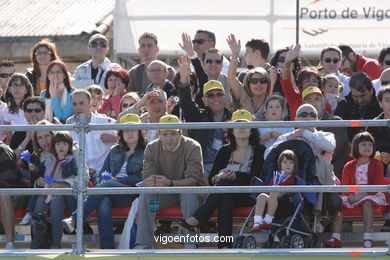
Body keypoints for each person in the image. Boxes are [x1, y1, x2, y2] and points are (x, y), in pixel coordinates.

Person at [179, 109, 266, 248]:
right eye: (238, 125)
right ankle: (225, 246)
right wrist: (220, 176)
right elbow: (213, 179)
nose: (241, 128)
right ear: (231, 130)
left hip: (249, 194)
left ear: (251, 129)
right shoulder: (224, 150)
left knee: (225, 185)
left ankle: (199, 217)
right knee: (226, 196)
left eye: (245, 125)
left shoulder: (260, 150)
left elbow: (257, 178)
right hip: (227, 193)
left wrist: (234, 176)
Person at [62, 113, 144, 249]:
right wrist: (106, 181)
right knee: (103, 201)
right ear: (121, 133)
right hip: (109, 191)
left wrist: (118, 180)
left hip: (132, 193)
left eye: (133, 129)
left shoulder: (146, 150)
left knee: (105, 187)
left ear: (140, 132)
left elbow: (142, 179)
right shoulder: (114, 150)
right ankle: (107, 248)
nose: (130, 132)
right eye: (126, 129)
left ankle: (74, 219)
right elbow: (101, 175)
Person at [135, 114, 204, 249]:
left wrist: (170, 183)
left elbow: (193, 180)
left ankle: (191, 242)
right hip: (165, 195)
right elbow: (148, 179)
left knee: (188, 193)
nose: (169, 138)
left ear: (180, 133)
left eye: (173, 134)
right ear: (159, 134)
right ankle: (144, 244)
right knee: (147, 194)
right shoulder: (151, 147)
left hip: (192, 195)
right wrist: (158, 182)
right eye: (165, 134)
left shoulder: (193, 146)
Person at [325, 132, 389, 248]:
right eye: (364, 145)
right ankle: (336, 237)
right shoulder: (349, 165)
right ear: (356, 147)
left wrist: (360, 196)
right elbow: (345, 185)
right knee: (338, 201)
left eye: (370, 145)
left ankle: (368, 238)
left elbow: (376, 185)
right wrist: (349, 195)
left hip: (372, 194)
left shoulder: (377, 164)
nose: (367, 148)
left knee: (367, 202)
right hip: (353, 195)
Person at [177, 55, 232, 178]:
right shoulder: (199, 116)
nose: (216, 98)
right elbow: (186, 103)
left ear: (225, 98)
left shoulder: (234, 119)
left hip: (228, 168)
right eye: (210, 96)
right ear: (204, 101)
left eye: (219, 94)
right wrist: (184, 79)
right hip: (201, 169)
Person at [31, 131, 78, 249]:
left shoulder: (71, 159)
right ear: (54, 146)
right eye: (58, 144)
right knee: (39, 204)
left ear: (69, 146)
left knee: (56, 204)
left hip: (63, 192)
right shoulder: (50, 158)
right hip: (47, 190)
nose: (61, 147)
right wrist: (34, 169)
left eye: (64, 144)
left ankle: (56, 243)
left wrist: (62, 160)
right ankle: (38, 242)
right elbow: (40, 171)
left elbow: (69, 173)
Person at [66, 89, 117, 177]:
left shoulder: (105, 122)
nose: (78, 107)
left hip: (105, 174)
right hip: (79, 175)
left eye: (81, 103)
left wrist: (115, 139)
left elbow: (128, 137)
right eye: (74, 104)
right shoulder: (69, 124)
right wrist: (82, 170)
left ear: (90, 104)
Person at [301, 86, 349, 179]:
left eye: (317, 99)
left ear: (323, 103)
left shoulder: (335, 122)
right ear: (303, 105)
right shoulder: (301, 125)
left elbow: (332, 153)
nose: (313, 103)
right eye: (309, 100)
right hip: (307, 179)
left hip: (330, 182)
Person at [180, 33, 236, 109]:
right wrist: (191, 53)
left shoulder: (230, 82)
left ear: (222, 64)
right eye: (209, 61)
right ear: (202, 63)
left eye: (218, 61)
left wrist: (235, 54)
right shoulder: (193, 81)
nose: (213, 64)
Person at [227, 33, 275, 118]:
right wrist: (234, 54)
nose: (258, 84)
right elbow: (231, 78)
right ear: (248, 83)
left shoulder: (274, 76)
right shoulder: (244, 96)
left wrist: (273, 82)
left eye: (263, 81)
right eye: (253, 81)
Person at [18, 120, 55, 225]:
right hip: (43, 190)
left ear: (53, 135)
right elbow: (33, 182)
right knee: (39, 194)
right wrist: (37, 181)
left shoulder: (61, 150)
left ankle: (30, 213)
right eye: (40, 138)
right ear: (36, 141)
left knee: (41, 197)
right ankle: (32, 216)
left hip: (58, 188)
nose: (44, 141)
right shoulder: (36, 156)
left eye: (47, 136)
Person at [252, 149, 298, 231]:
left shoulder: (295, 178)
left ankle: (268, 220)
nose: (288, 165)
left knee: (274, 192)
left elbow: (293, 192)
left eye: (291, 162)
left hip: (285, 203)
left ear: (295, 165)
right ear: (280, 164)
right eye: (285, 162)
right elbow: (268, 189)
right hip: (271, 199)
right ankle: (257, 221)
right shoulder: (276, 176)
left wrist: (279, 190)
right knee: (262, 196)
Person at [366, 85, 390, 232]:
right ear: (380, 103)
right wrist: (377, 157)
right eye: (387, 100)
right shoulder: (373, 125)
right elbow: (362, 149)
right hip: (377, 170)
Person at [335, 72, 382, 142]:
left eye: (363, 96)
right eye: (355, 96)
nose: (359, 100)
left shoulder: (382, 105)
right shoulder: (343, 106)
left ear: (371, 90)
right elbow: (337, 133)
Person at [0, 141, 22, 249]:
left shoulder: (3, 151)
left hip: (16, 193)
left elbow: (7, 182)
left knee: (3, 194)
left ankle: (10, 243)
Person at [3, 73, 33, 144]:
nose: (18, 88)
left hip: (32, 143)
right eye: (15, 85)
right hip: (15, 145)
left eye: (21, 85)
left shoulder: (33, 108)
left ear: (26, 90)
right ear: (9, 89)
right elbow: (9, 138)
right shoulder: (7, 111)